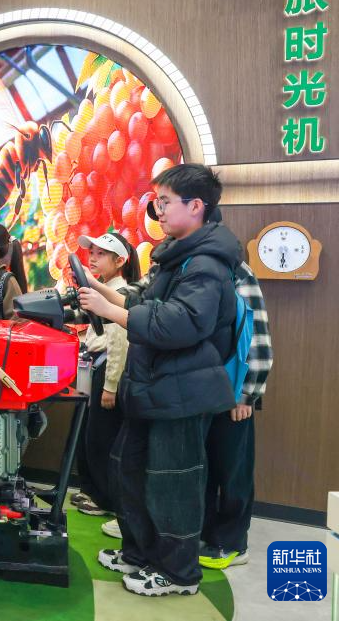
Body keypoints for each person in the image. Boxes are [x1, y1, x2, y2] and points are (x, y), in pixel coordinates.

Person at [77, 163, 241, 597]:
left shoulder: (206, 264)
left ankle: (178, 573)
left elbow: (179, 323)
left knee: (174, 484)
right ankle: (140, 553)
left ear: (196, 206)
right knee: (129, 471)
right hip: (154, 387)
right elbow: (144, 298)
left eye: (165, 202)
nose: (158, 211)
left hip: (182, 392)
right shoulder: (176, 255)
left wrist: (111, 311)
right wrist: (100, 290)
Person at [198, 260, 271, 569]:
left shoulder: (237, 270)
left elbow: (257, 336)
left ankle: (232, 542)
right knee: (202, 468)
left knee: (232, 470)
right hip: (199, 389)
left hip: (233, 392)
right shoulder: (189, 263)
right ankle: (203, 533)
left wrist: (246, 394)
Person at [70, 232, 138, 517]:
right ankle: (92, 490)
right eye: (91, 253)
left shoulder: (120, 293)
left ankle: (105, 499)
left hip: (107, 370)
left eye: (101, 254)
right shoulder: (104, 290)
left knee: (101, 437)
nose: (93, 258)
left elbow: (119, 343)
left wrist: (111, 385)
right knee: (89, 434)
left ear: (120, 261)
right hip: (94, 367)